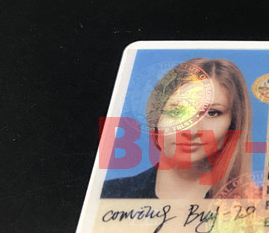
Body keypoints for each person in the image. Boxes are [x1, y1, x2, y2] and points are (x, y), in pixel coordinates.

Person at [102, 58, 252, 199]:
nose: (191, 131)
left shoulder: (258, 203)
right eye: (177, 111)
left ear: (234, 122)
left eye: (212, 113)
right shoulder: (109, 194)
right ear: (156, 118)